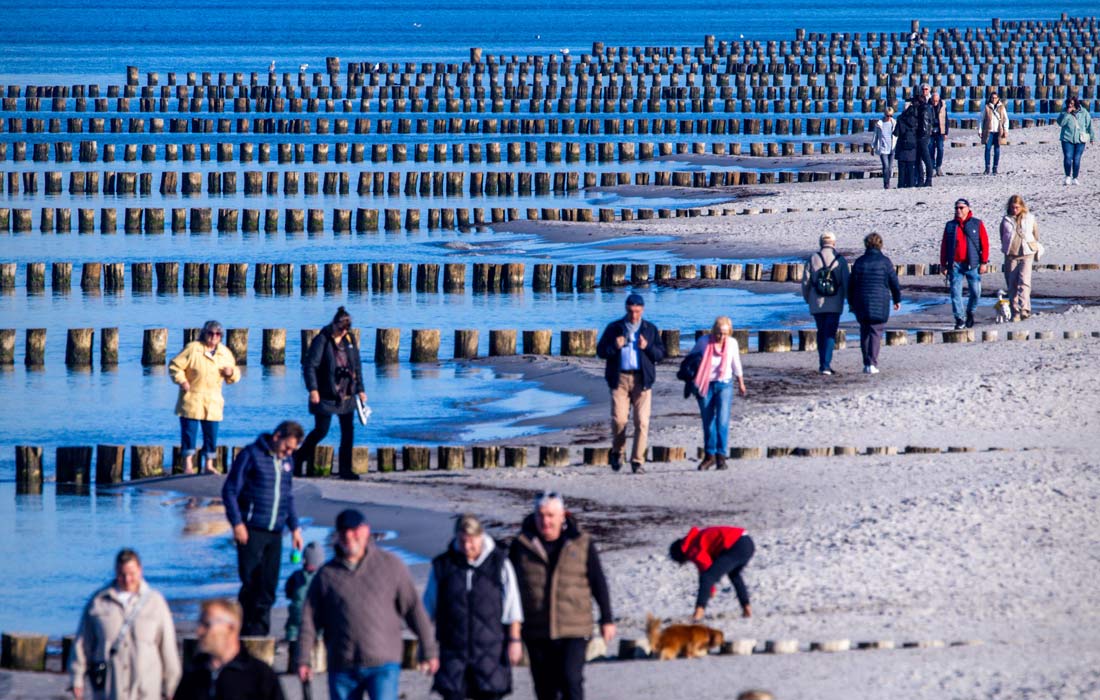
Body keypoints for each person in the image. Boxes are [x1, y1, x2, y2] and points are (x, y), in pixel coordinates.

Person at [297, 509, 439, 700]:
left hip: (383, 663)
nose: (349, 536)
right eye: (344, 532)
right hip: (342, 664)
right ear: (337, 535)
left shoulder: (391, 565)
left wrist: (429, 650)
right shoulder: (326, 575)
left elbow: (414, 610)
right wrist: (303, 659)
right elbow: (309, 621)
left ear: (366, 531)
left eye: (354, 530)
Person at [509, 492, 615, 700]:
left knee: (570, 679)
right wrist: (510, 631)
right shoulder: (521, 545)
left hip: (574, 627)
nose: (545, 521)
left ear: (562, 516)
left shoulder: (581, 543)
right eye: (541, 515)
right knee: (544, 688)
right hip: (536, 629)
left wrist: (607, 618)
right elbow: (509, 589)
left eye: (550, 515)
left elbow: (598, 582)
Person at [423, 514, 524, 700]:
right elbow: (427, 610)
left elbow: (513, 607)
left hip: (491, 652)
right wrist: (426, 648)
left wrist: (515, 641)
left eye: (472, 541)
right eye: (462, 541)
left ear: (481, 536)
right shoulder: (443, 565)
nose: (467, 546)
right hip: (452, 651)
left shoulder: (500, 563)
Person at [222, 421, 305, 636]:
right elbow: (229, 491)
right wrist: (237, 523)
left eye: (293, 450)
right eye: (287, 447)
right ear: (277, 437)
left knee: (268, 585)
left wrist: (295, 528)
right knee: (251, 582)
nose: (289, 453)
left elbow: (288, 496)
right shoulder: (251, 455)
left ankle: (260, 634)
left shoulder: (287, 461)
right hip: (250, 530)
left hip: (276, 531)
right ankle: (245, 631)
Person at [70, 549, 181, 700]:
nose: (127, 579)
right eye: (122, 574)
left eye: (131, 574)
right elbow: (82, 643)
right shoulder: (98, 602)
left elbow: (167, 647)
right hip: (109, 691)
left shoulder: (156, 603)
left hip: (146, 691)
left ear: (140, 570)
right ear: (116, 572)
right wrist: (77, 678)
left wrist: (171, 686)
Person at [595, 293, 666, 474]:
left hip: (642, 380)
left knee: (642, 422)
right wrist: (614, 346)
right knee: (619, 420)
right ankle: (618, 452)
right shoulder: (614, 328)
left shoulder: (650, 329)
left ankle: (637, 461)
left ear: (642, 310)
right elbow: (601, 351)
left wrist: (647, 346)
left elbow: (660, 354)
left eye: (637, 311)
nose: (634, 315)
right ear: (626, 309)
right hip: (619, 379)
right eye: (631, 311)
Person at [295, 306, 366, 481]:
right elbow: (310, 366)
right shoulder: (322, 340)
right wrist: (313, 389)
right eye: (340, 329)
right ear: (334, 324)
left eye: (345, 330)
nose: (342, 333)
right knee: (321, 430)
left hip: (347, 393)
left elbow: (356, 365)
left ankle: (345, 470)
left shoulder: (349, 339)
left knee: (348, 432)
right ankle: (297, 459)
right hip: (325, 394)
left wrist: (361, 389)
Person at [174, 599, 284, 700]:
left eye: (207, 625)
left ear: (231, 628)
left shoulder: (259, 675)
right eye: (199, 624)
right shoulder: (193, 672)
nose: (199, 631)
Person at [169, 320, 240, 474]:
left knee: (211, 435)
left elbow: (236, 374)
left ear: (221, 336)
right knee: (189, 433)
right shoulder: (193, 349)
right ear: (204, 333)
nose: (214, 336)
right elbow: (174, 366)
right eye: (211, 333)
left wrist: (231, 373)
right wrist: (182, 381)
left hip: (213, 400)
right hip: (192, 398)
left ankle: (209, 465)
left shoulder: (225, 353)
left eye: (218, 334)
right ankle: (188, 466)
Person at [687, 317, 747, 471]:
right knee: (708, 422)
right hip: (705, 384)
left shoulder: (732, 343)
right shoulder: (704, 342)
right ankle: (710, 455)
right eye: (719, 333)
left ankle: (721, 456)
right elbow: (691, 358)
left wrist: (741, 383)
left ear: (730, 333)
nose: (722, 337)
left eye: (725, 333)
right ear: (714, 331)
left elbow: (736, 363)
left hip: (724, 384)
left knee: (722, 420)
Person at [668, 526, 755, 621]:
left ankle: (698, 613)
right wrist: (710, 587)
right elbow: (705, 566)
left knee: (707, 577)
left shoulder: (691, 548)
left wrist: (711, 589)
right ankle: (747, 609)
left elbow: (706, 568)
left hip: (736, 545)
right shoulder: (695, 538)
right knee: (734, 574)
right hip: (747, 542)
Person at [847, 233, 901, 375]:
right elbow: (894, 283)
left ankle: (867, 363)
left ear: (866, 244)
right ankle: (872, 363)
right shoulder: (885, 262)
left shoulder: (860, 262)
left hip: (862, 302)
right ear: (880, 244)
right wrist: (897, 300)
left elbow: (851, 285)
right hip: (880, 302)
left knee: (865, 332)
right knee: (876, 332)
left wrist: (851, 302)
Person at [801, 231, 851, 375]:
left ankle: (823, 363)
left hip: (817, 302)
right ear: (834, 243)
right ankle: (826, 365)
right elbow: (846, 283)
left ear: (820, 242)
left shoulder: (813, 258)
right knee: (830, 333)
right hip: (835, 303)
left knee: (821, 331)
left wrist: (808, 299)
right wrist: (848, 300)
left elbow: (806, 282)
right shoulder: (840, 260)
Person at [940, 199, 990, 329]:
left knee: (976, 292)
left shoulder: (977, 224)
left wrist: (984, 262)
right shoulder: (950, 225)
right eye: (956, 208)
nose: (958, 210)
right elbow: (944, 245)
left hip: (972, 264)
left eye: (961, 208)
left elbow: (984, 243)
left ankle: (970, 312)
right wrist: (943, 264)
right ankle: (959, 319)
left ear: (968, 209)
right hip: (955, 264)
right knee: (955, 293)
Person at [999, 194, 1040, 322]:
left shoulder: (1030, 218)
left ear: (1022, 207)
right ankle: (1015, 311)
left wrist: (1031, 245)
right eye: (1012, 207)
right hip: (1011, 255)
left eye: (1017, 207)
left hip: (1027, 253)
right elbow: (1002, 236)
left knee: (1024, 281)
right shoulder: (1006, 220)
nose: (1015, 210)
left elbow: (1035, 234)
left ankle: (1024, 309)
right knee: (1012, 283)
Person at [285, 542, 325, 667]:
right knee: (299, 635)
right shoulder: (320, 577)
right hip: (305, 617)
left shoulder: (298, 576)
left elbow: (288, 592)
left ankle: (297, 664)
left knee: (297, 634)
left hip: (307, 617)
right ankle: (300, 663)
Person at [1057, 96, 1094, 185]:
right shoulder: (1064, 112)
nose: (1070, 105)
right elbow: (1061, 123)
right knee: (1068, 157)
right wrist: (1067, 113)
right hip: (1067, 138)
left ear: (1076, 104)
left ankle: (1075, 178)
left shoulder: (1084, 112)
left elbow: (1089, 125)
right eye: (1068, 103)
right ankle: (1067, 176)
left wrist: (1092, 138)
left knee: (1077, 158)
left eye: (1072, 104)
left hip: (1080, 139)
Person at [980, 91, 1009, 175]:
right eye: (992, 98)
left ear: (998, 99)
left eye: (995, 98)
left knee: (997, 149)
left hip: (998, 131)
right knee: (987, 149)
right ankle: (987, 168)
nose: (994, 99)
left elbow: (1006, 119)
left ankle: (995, 168)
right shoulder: (986, 107)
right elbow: (981, 119)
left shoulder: (1002, 107)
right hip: (989, 131)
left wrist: (1006, 130)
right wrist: (980, 130)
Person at [894, 99, 919, 188]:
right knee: (911, 170)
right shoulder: (915, 119)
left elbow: (896, 133)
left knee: (902, 170)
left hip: (902, 147)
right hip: (912, 148)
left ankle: (901, 186)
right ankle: (911, 185)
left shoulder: (900, 118)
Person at [871, 106, 896, 189]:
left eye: (891, 116)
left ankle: (888, 181)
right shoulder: (879, 124)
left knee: (890, 167)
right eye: (888, 115)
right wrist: (873, 147)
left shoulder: (894, 123)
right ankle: (886, 184)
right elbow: (875, 136)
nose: (889, 117)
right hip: (883, 148)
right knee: (886, 166)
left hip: (892, 148)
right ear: (885, 114)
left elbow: (897, 136)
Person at [914, 90, 935, 186]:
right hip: (925, 136)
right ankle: (921, 180)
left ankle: (927, 179)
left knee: (926, 159)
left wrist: (920, 135)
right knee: (919, 158)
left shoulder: (923, 110)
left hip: (922, 137)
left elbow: (924, 125)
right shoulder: (927, 108)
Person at [928, 88, 949, 176]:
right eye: (933, 101)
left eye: (936, 101)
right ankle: (932, 167)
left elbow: (946, 119)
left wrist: (946, 132)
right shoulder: (928, 106)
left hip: (940, 131)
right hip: (930, 132)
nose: (935, 102)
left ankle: (938, 166)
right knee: (931, 150)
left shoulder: (943, 106)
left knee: (940, 149)